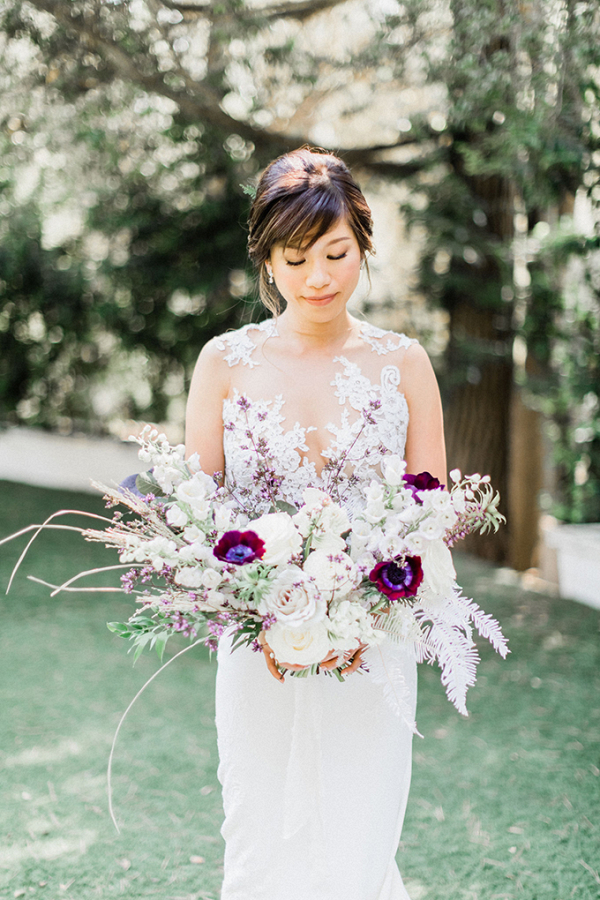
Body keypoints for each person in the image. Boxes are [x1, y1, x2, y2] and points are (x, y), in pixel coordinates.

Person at [185, 147, 446, 900]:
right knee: (259, 827)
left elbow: (429, 508)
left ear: (363, 242)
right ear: (267, 261)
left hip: (375, 635)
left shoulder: (405, 363)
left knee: (358, 830)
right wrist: (257, 605)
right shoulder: (224, 361)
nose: (319, 278)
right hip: (253, 639)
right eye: (295, 259)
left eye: (336, 253)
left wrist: (366, 606)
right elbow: (197, 513)